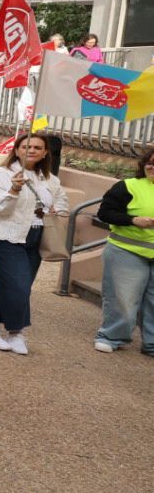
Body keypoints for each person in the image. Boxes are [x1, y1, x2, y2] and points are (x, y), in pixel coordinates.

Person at [0, 134, 67, 354]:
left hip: (37, 237)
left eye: (38, 147)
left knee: (10, 284)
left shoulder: (50, 179)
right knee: (19, 286)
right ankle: (16, 332)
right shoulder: (2, 174)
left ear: (46, 153)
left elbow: (62, 202)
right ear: (16, 150)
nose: (32, 150)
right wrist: (14, 191)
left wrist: (56, 209)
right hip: (8, 237)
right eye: (26, 146)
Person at [93, 147, 154, 355]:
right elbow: (104, 213)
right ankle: (112, 336)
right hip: (126, 250)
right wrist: (133, 220)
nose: (152, 167)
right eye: (151, 162)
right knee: (123, 299)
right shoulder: (127, 187)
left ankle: (152, 344)